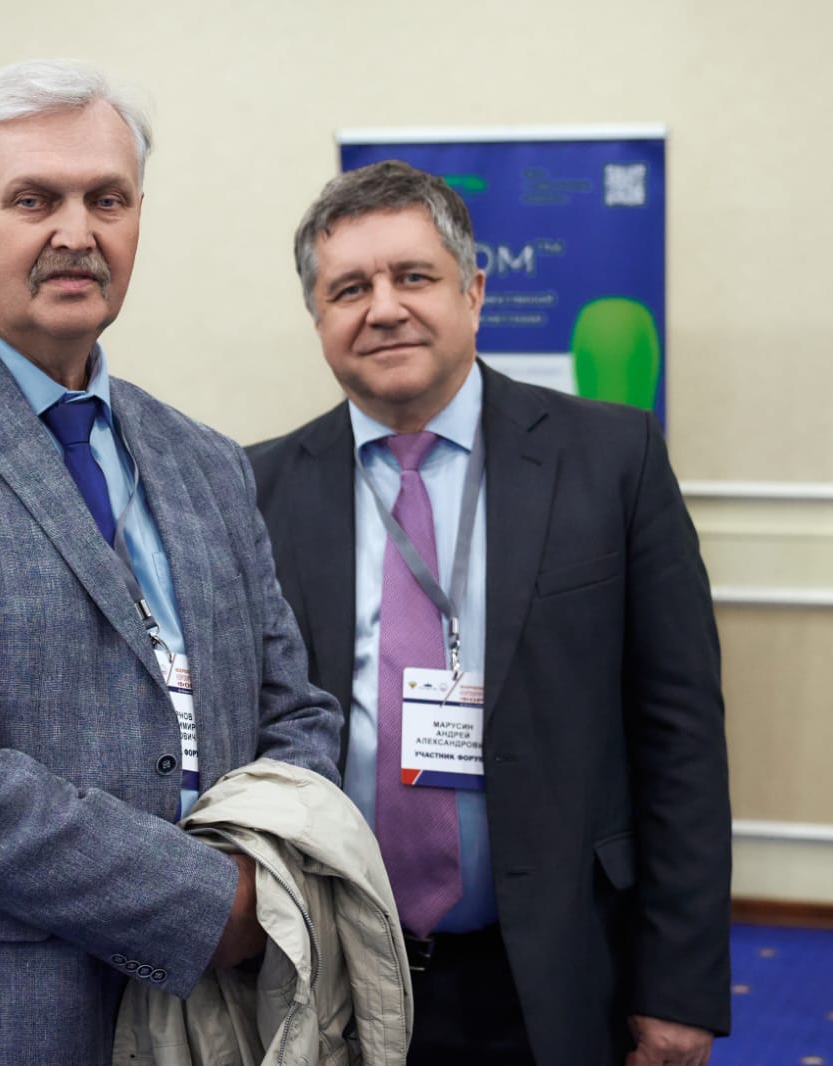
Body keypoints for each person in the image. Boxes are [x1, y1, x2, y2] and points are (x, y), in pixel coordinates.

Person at [0, 60, 341, 1065]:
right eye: (34, 200)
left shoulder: (206, 460)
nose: (77, 232)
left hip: (220, 1014)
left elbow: (291, 708)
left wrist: (273, 877)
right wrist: (208, 905)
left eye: (107, 199)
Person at [247, 159, 731, 1066]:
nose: (383, 308)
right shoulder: (255, 488)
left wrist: (680, 984)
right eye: (349, 289)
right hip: (334, 975)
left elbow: (682, 737)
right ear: (318, 318)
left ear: (473, 292)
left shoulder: (610, 460)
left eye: (413, 277)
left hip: (558, 962)